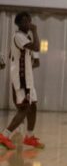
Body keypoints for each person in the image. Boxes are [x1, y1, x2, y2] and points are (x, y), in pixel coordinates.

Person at [0, 12, 45, 150]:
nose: (28, 23)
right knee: (24, 108)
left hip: (27, 77)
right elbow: (37, 47)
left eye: (29, 20)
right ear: (18, 24)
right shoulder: (19, 36)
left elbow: (33, 58)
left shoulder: (25, 37)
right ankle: (4, 135)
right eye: (25, 21)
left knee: (33, 107)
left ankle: (29, 137)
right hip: (21, 78)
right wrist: (35, 31)